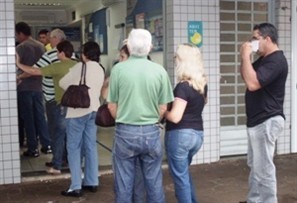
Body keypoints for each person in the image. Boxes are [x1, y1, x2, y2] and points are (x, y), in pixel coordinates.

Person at [107, 28, 174, 203]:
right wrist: (151, 120)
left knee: (123, 184)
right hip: (152, 131)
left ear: (128, 45)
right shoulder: (160, 71)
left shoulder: (119, 70)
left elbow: (111, 105)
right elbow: (163, 107)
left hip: (125, 131)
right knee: (154, 182)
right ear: (150, 47)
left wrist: (124, 119)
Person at [239, 23, 288, 203]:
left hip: (267, 120)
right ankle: (254, 200)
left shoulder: (276, 60)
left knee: (264, 169)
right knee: (255, 166)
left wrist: (245, 55)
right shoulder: (263, 59)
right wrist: (245, 57)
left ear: (267, 39)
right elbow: (245, 75)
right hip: (257, 120)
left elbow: (252, 84)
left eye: (256, 39)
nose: (252, 42)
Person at [16, 40, 78, 174]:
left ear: (61, 53)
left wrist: (18, 63)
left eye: (57, 52)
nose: (56, 54)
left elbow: (34, 71)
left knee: (57, 135)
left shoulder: (58, 66)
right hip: (77, 107)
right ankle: (74, 163)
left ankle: (57, 165)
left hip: (61, 105)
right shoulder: (78, 65)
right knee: (73, 136)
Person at [59, 41, 105, 197]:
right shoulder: (100, 68)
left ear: (84, 54)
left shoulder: (80, 67)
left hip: (78, 112)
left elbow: (62, 83)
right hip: (93, 110)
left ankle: (76, 186)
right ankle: (92, 182)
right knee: (90, 146)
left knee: (73, 148)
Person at [165, 43, 207, 203]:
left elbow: (175, 117)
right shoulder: (202, 85)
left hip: (180, 136)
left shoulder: (182, 87)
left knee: (180, 179)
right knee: (183, 173)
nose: (174, 59)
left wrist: (162, 111)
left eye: (177, 57)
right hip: (197, 135)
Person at [15, 22, 51, 157]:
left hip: (25, 88)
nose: (17, 37)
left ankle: (33, 148)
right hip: (39, 87)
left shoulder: (21, 47)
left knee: (28, 118)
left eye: (17, 34)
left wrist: (19, 77)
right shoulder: (41, 46)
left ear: (20, 33)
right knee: (41, 116)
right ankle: (46, 145)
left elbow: (20, 68)